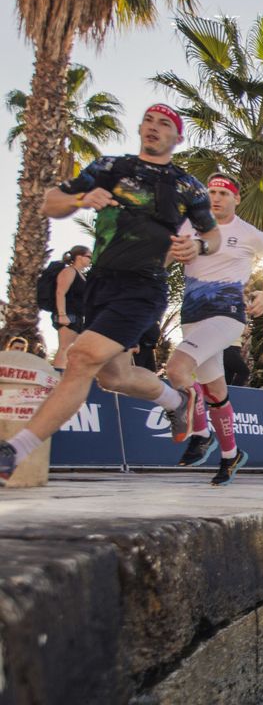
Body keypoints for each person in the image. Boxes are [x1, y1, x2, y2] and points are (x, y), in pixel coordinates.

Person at [2, 104, 221, 485]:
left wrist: (198, 248)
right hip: (102, 285)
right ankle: (176, 401)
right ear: (140, 128)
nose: (154, 128)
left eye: (165, 124)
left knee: (81, 357)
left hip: (143, 286)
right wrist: (79, 201)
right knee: (113, 378)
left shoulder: (187, 185)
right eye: (149, 120)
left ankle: (13, 452)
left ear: (177, 137)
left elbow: (212, 235)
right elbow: (49, 202)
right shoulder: (109, 168)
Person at [170, 172, 263, 485]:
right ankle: (230, 455)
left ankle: (200, 434)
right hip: (191, 315)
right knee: (214, 390)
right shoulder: (189, 225)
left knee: (178, 368)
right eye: (211, 191)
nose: (217, 197)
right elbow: (167, 254)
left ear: (236, 199)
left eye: (224, 193)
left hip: (227, 314)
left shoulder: (248, 233)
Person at [45, 245, 92, 369]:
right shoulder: (69, 271)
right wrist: (62, 314)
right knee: (65, 347)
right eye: (88, 256)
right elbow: (60, 292)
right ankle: (58, 375)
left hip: (78, 315)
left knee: (76, 349)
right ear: (79, 257)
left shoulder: (82, 275)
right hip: (67, 314)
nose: (90, 259)